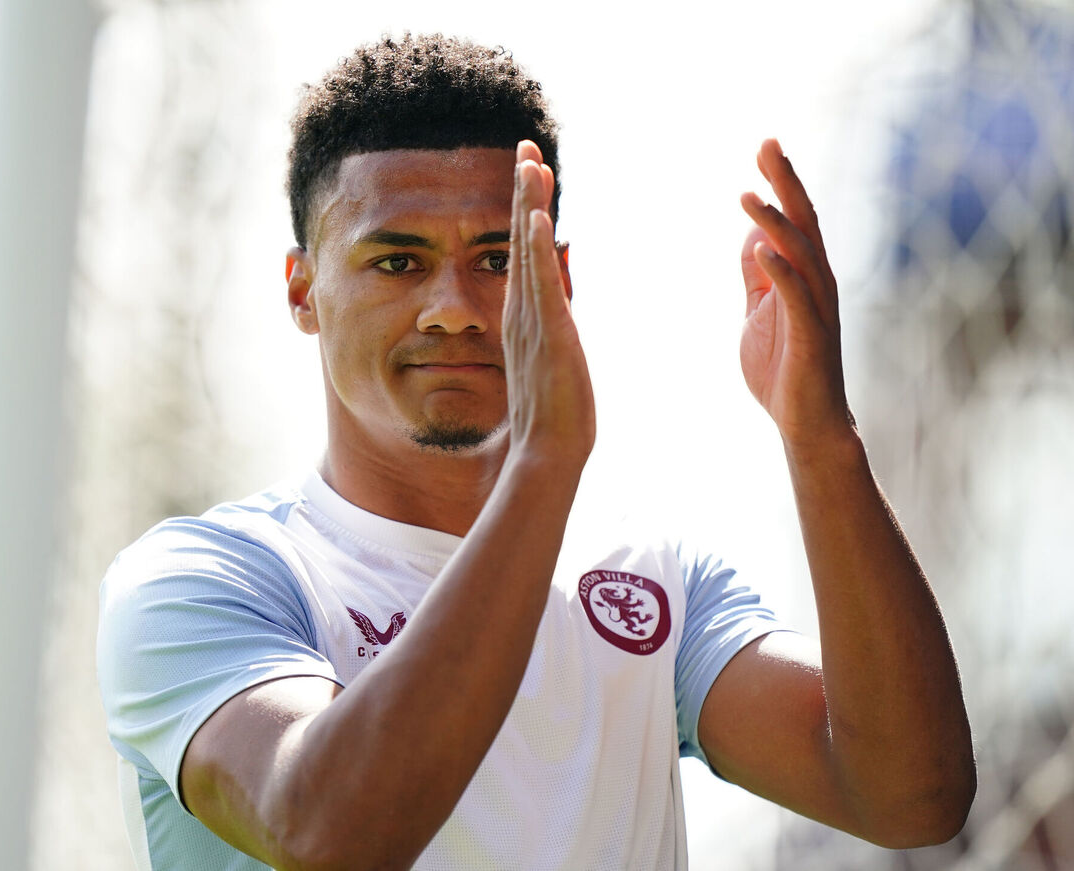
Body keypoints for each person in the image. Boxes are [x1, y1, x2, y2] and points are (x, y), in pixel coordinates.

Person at [97, 33, 976, 870]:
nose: (453, 305)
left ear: (559, 278)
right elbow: (327, 830)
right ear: (303, 289)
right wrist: (544, 466)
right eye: (397, 262)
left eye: (494, 257)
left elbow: (911, 796)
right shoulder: (205, 581)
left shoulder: (649, 577)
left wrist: (822, 439)